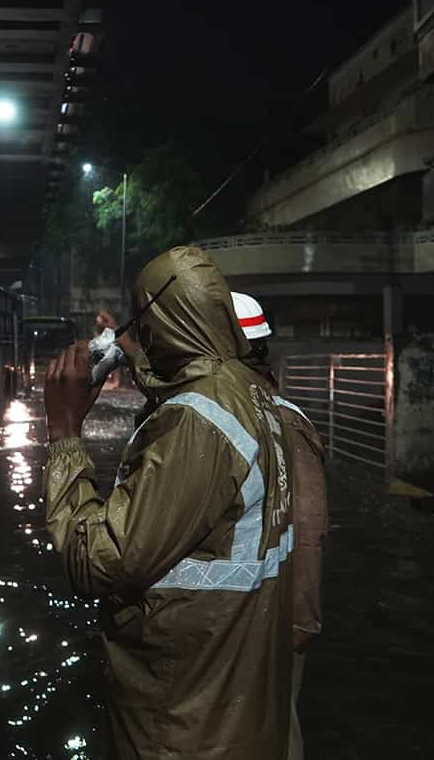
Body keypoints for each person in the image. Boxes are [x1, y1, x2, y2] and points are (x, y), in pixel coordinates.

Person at [45, 245, 295, 759]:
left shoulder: (195, 424)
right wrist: (131, 357)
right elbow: (191, 375)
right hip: (238, 702)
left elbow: (97, 561)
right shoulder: (253, 395)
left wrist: (64, 431)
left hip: (182, 722)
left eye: (144, 323)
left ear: (162, 323)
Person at [231, 291, 328, 760]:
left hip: (254, 627)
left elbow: (307, 535)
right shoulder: (288, 420)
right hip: (260, 622)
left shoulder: (267, 423)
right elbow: (311, 534)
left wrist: (299, 625)